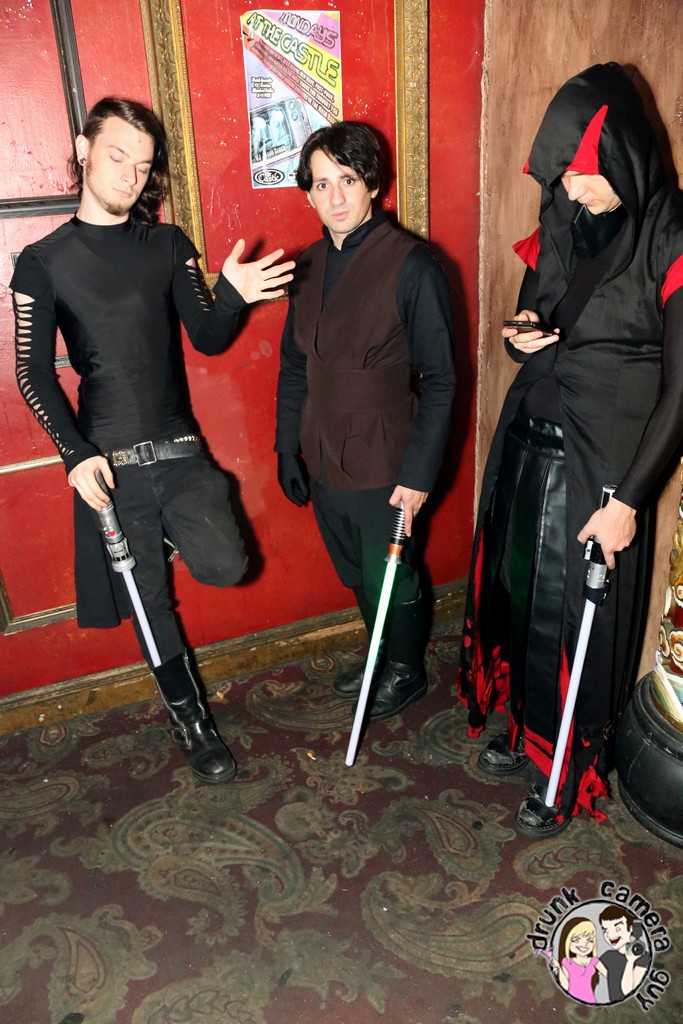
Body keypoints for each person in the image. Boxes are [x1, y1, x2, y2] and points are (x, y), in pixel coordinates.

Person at [10, 97, 294, 785]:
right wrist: (75, 454)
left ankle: (162, 537)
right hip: (108, 462)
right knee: (148, 601)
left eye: (142, 165)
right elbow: (31, 372)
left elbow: (208, 337)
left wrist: (233, 295)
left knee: (226, 564)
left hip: (178, 447)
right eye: (117, 156)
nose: (131, 175)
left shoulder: (166, 245)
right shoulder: (41, 262)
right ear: (83, 150)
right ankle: (191, 721)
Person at [457, 63, 683, 836]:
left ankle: (567, 766)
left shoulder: (670, 230)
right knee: (522, 599)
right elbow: (530, 320)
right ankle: (526, 729)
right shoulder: (564, 214)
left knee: (579, 620)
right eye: (564, 176)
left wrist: (628, 502)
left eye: (585, 173)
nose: (574, 190)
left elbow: (681, 390)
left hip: (603, 467)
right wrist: (520, 335)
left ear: (624, 155)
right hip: (530, 441)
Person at [275, 121, 455, 721]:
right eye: (321, 184)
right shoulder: (306, 265)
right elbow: (294, 366)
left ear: (373, 184)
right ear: (307, 193)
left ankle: (406, 671)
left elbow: (442, 380)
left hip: (386, 455)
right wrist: (286, 447)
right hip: (323, 448)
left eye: (347, 180)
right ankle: (381, 653)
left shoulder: (413, 265)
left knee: (391, 574)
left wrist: (419, 475)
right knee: (354, 566)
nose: (335, 197)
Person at [550, 917, 607, 1004]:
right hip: (571, 1002)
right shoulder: (567, 962)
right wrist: (558, 967)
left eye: (590, 940)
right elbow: (565, 986)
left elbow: (610, 976)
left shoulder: (594, 961)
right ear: (567, 941)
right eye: (576, 940)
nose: (584, 944)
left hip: (590, 1001)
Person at [599, 907, 650, 1002]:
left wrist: (630, 961)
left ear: (630, 929)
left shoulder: (643, 957)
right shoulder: (608, 956)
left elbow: (627, 992)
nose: (610, 935)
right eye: (605, 930)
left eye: (617, 928)